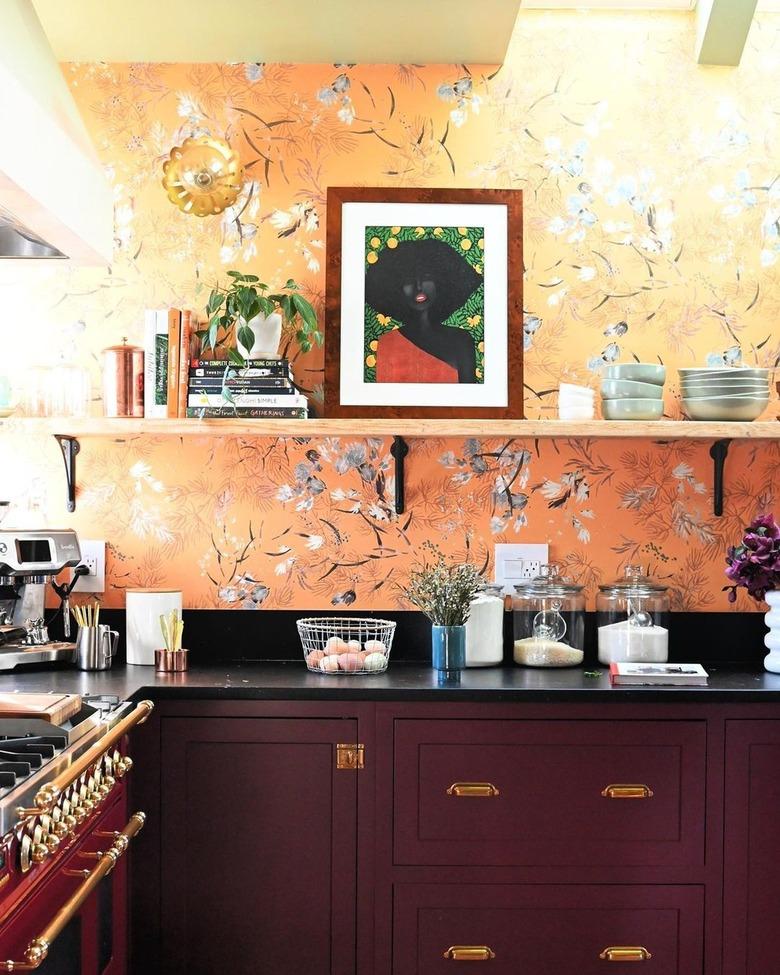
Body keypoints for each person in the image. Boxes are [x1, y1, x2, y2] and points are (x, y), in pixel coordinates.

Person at [364, 236, 482, 384]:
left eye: (426, 277)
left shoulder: (462, 340)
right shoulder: (388, 342)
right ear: (396, 288)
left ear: (441, 283)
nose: (418, 287)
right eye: (408, 280)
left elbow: (471, 402)